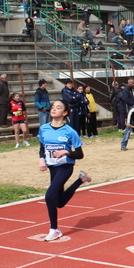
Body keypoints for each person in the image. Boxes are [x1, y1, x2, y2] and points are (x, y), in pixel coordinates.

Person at [38, 100, 93, 242]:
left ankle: (54, 229)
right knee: (59, 202)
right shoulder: (44, 128)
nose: (54, 109)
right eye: (53, 107)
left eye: (58, 107)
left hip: (65, 167)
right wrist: (41, 159)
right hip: (52, 166)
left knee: (49, 196)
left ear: (65, 113)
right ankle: (81, 180)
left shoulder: (70, 132)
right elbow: (42, 147)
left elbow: (80, 154)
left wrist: (66, 152)